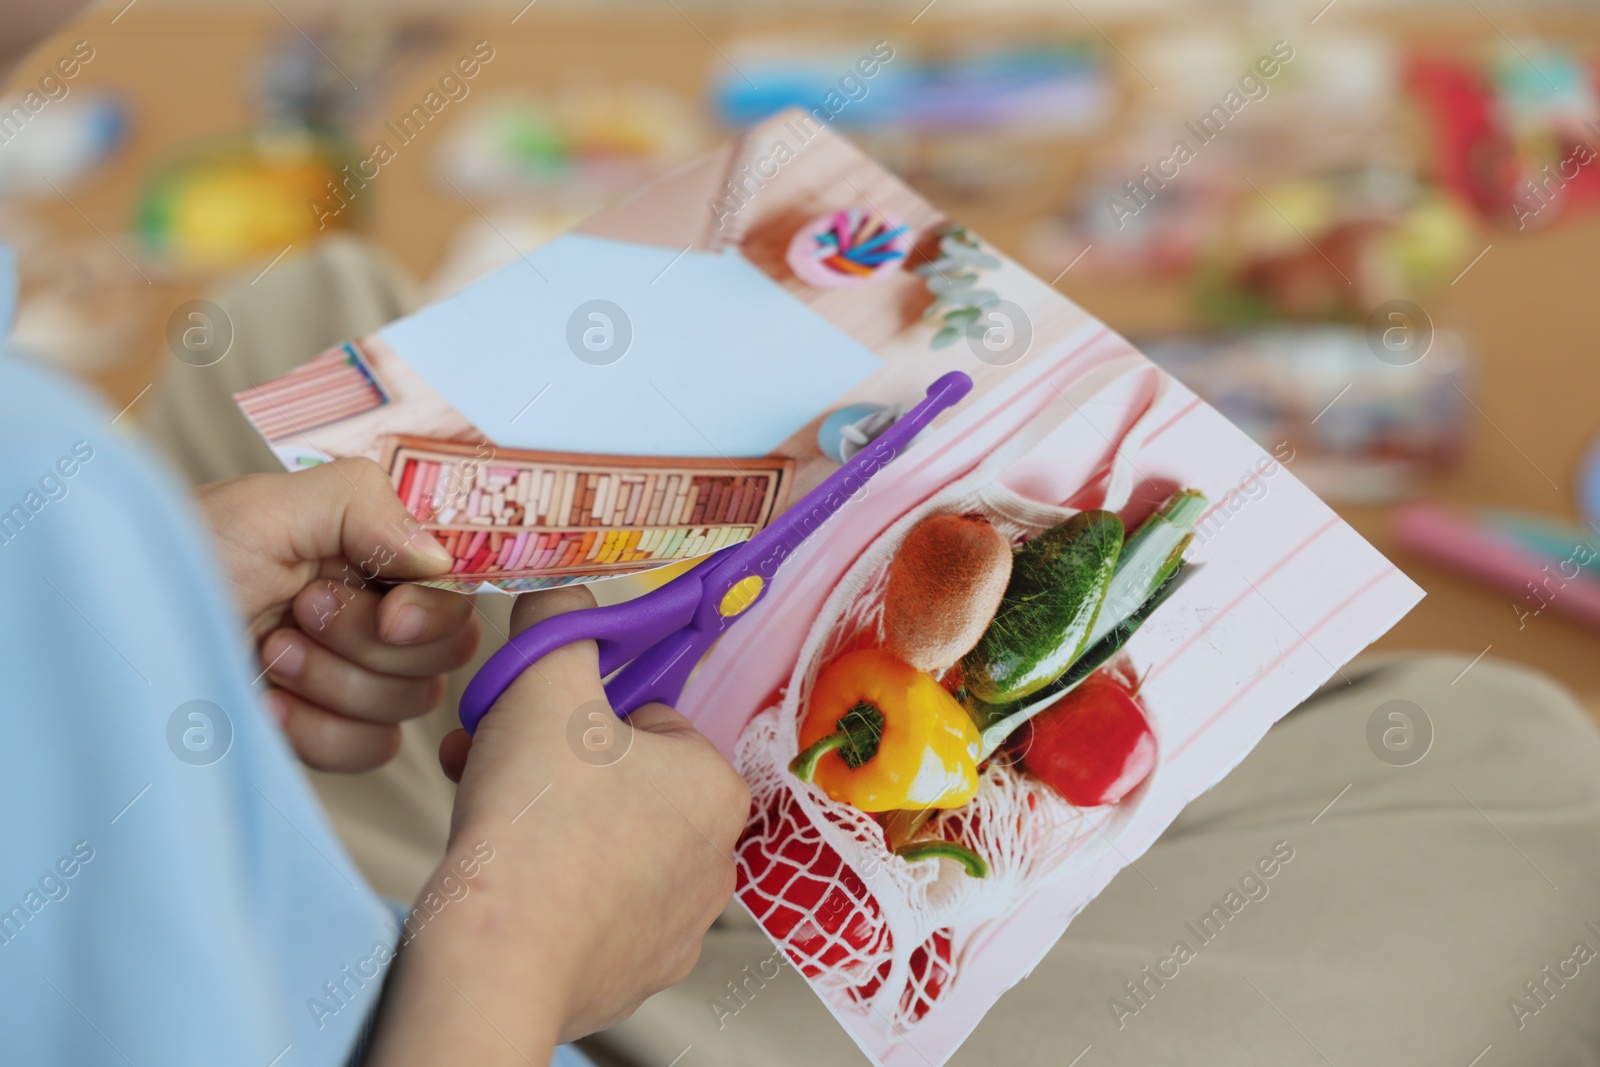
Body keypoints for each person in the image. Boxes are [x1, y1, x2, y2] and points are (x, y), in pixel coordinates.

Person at [0, 6, 748, 1065]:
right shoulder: (48, 480)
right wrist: (524, 935)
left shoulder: (50, 487)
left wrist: (145, 617)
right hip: (470, 1005)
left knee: (303, 300)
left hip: (310, 911)